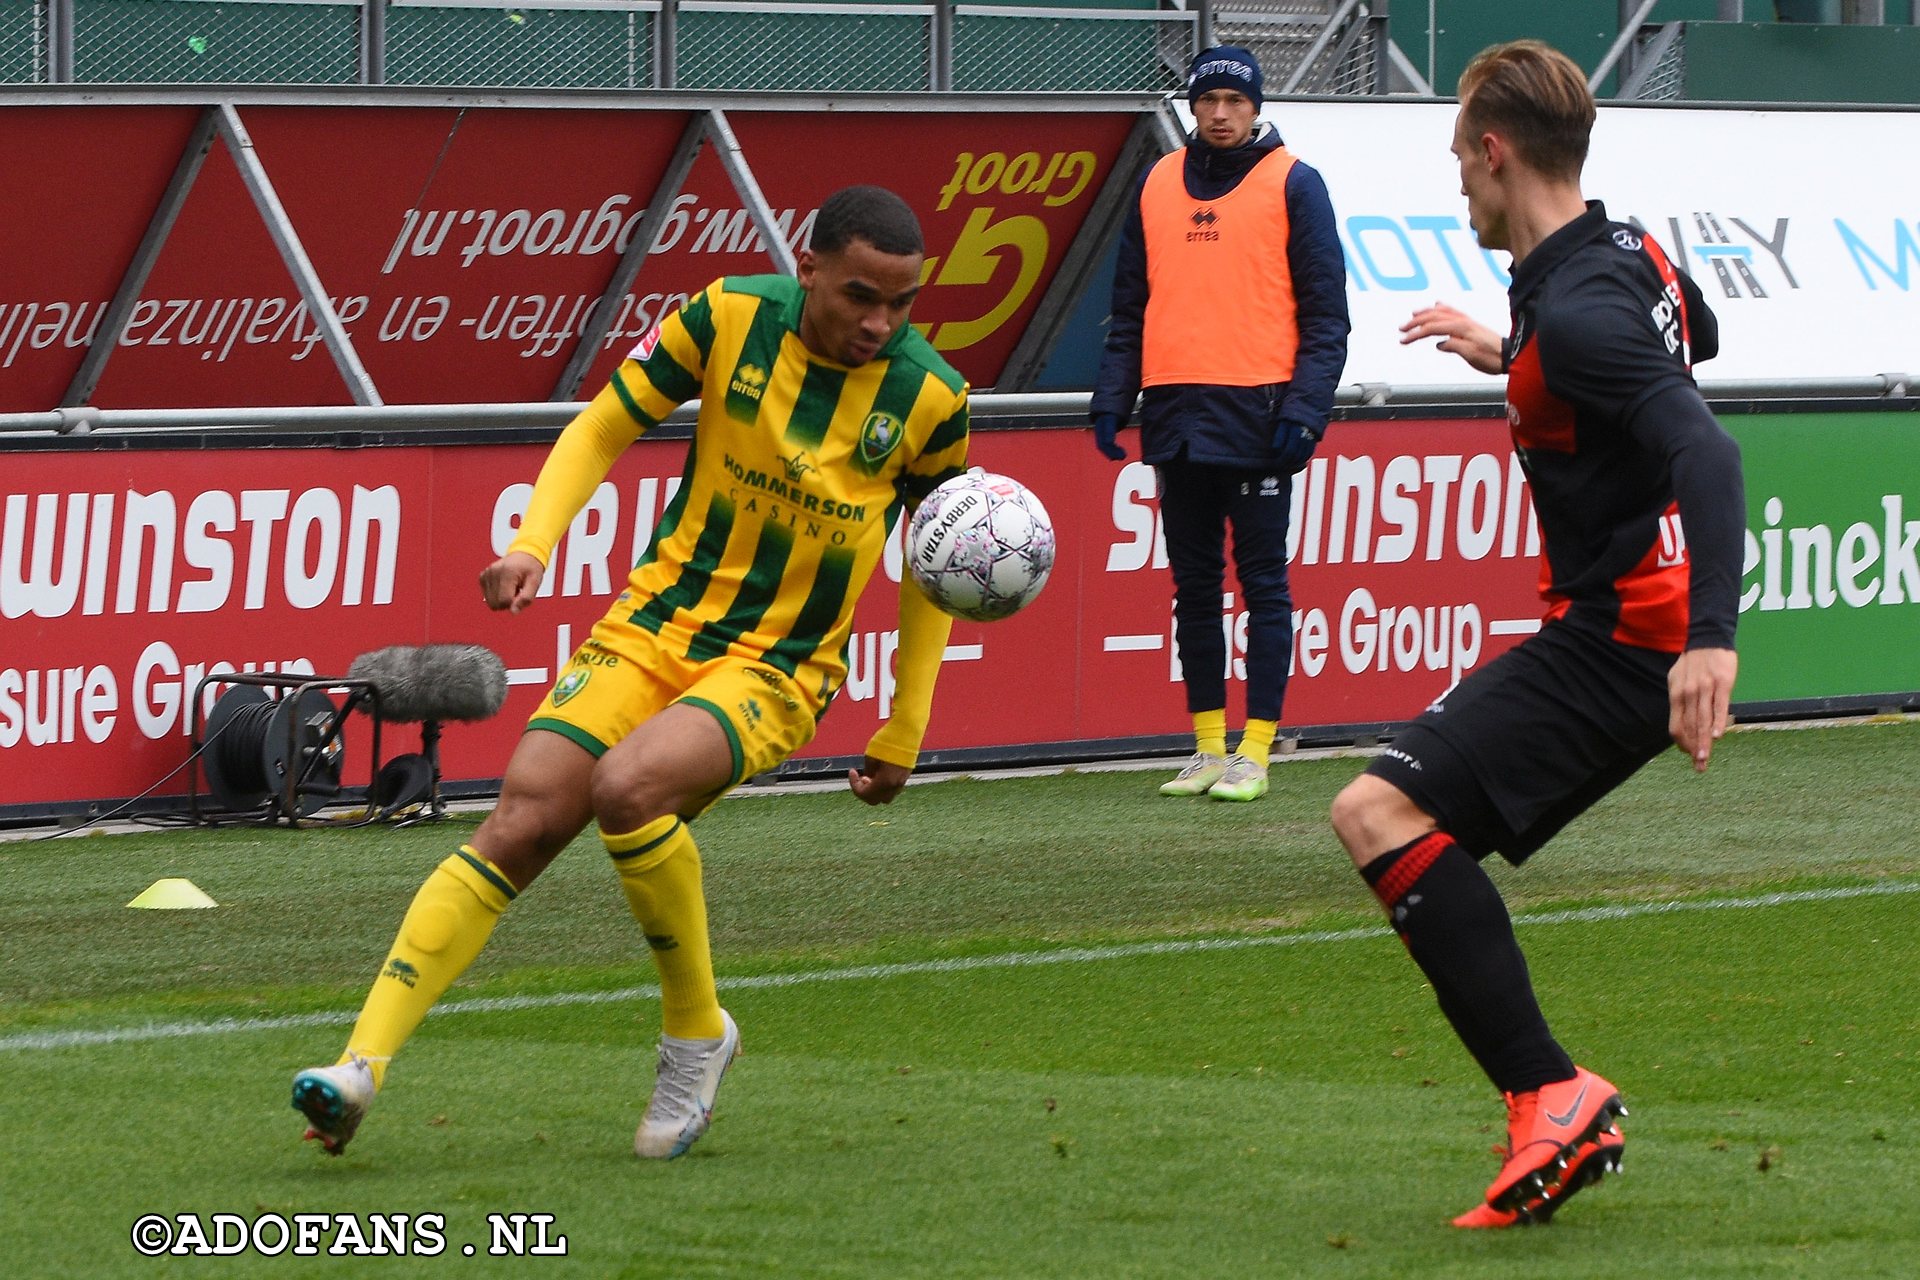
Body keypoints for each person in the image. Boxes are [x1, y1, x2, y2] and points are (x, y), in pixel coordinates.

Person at [291, 185, 970, 1161]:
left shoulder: (932, 398)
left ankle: (695, 1033)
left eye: (901, 303)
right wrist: (533, 541)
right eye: (863, 295)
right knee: (522, 817)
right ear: (807, 267)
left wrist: (905, 725)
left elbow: (935, 566)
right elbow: (604, 423)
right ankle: (360, 1069)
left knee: (628, 786)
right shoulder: (729, 315)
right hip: (652, 624)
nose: (881, 322)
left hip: (780, 661)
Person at [1334, 40, 1744, 1227]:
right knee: (1388, 810)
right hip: (1628, 622)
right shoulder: (1621, 251)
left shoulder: (1573, 310)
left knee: (1376, 808)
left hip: (1628, 637)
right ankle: (1548, 1096)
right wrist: (1517, 358)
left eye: (1460, 152)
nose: (1456, 177)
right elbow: (1691, 336)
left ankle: (1551, 1094)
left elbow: (1703, 443)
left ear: (1496, 151)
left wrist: (1709, 638)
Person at [1090, 45, 1349, 803]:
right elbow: (1130, 310)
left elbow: (1328, 318)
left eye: (1237, 100)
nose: (1223, 113)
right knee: (1193, 590)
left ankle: (1257, 751)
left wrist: (1305, 410)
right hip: (1176, 416)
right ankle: (1206, 746)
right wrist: (1113, 397)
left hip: (1261, 415)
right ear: (1193, 108)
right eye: (1210, 101)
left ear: (1256, 106)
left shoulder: (1295, 183)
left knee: (1264, 586)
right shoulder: (1157, 183)